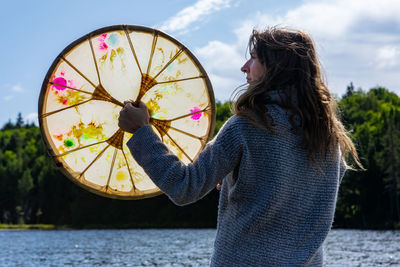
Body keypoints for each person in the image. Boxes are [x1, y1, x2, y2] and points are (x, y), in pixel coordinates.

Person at [118, 27, 362, 266]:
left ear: (276, 68)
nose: (244, 67)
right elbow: (289, 194)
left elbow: (185, 187)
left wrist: (142, 132)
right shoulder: (331, 140)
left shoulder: (247, 126)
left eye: (254, 58)